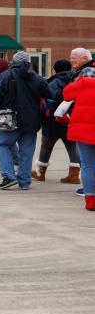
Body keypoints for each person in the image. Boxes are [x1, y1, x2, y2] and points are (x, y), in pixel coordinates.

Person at [0, 51, 53, 190]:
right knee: (27, 151)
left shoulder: (4, 76)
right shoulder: (38, 78)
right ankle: (24, 180)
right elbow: (49, 97)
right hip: (32, 120)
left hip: (9, 119)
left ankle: (8, 176)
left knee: (3, 145)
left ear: (14, 62)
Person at [33, 59, 80, 183]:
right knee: (71, 146)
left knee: (46, 146)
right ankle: (74, 175)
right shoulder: (75, 80)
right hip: (70, 120)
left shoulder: (54, 82)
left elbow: (49, 101)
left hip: (53, 121)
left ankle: (40, 173)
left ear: (55, 69)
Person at [63, 67, 95, 209]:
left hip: (82, 132)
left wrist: (78, 81)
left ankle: (90, 199)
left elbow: (66, 95)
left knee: (87, 165)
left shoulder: (79, 85)